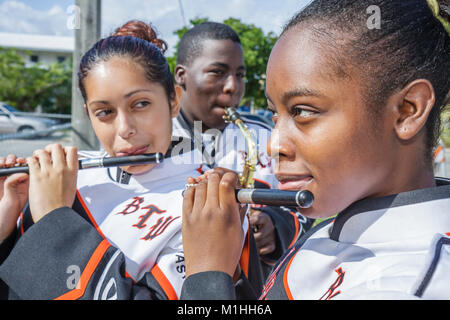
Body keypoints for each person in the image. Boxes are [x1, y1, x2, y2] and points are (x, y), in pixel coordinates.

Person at [180, 0, 450, 300]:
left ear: (406, 111)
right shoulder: (338, 231)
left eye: (303, 111)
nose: (273, 145)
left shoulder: (413, 282)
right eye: (275, 114)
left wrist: (207, 276)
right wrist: (232, 273)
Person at [0, 20, 207, 300]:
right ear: (88, 114)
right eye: (105, 112)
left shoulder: (206, 197)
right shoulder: (65, 176)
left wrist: (54, 220)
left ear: (173, 100)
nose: (124, 129)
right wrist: (7, 222)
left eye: (141, 104)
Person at [172, 21, 313, 276]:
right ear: (181, 75)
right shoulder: (151, 146)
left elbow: (307, 204)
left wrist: (275, 224)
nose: (232, 87)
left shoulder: (267, 136)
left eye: (240, 75)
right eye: (217, 72)